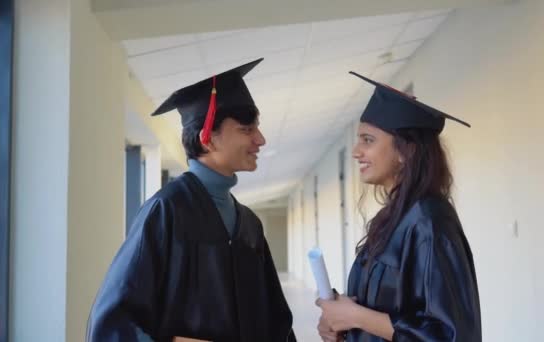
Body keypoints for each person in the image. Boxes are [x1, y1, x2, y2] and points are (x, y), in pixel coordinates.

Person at [86, 58, 296, 341]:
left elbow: (277, 323)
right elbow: (111, 325)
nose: (261, 139)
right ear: (208, 138)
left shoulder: (249, 223)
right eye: (247, 130)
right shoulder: (167, 210)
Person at [316, 72, 481, 341]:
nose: (356, 151)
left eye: (368, 140)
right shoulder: (392, 218)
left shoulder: (430, 221)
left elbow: (447, 334)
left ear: (407, 151)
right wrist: (343, 325)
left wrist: (356, 316)